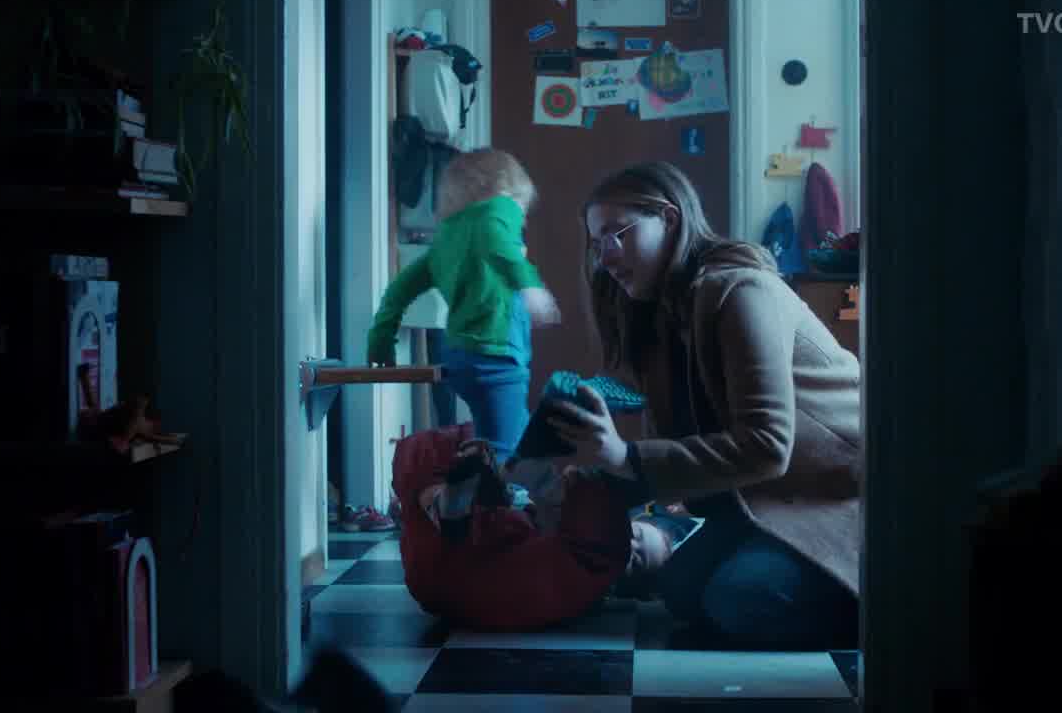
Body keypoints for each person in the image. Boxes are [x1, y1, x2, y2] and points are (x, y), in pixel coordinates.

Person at [547, 161, 862, 650]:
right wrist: (599, 481)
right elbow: (683, 455)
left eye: (618, 234)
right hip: (768, 499)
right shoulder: (662, 314)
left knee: (741, 600)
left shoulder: (741, 292)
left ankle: (888, 602)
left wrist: (626, 457)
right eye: (596, 242)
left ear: (669, 219)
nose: (605, 257)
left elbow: (766, 446)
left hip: (835, 498)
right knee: (681, 592)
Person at [367, 148, 561, 462]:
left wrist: (380, 342)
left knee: (492, 443)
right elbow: (494, 237)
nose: (520, 220)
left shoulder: (446, 241)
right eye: (521, 210)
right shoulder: (497, 210)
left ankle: (476, 486)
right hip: (496, 358)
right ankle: (486, 492)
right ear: (503, 192)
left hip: (459, 358)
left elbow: (398, 291)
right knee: (511, 453)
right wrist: (530, 285)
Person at [391, 426, 677, 631]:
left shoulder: (592, 570)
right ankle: (442, 502)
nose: (630, 545)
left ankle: (448, 503)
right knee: (440, 450)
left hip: (468, 579)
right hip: (445, 557)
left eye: (637, 559)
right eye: (636, 536)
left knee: (595, 551)